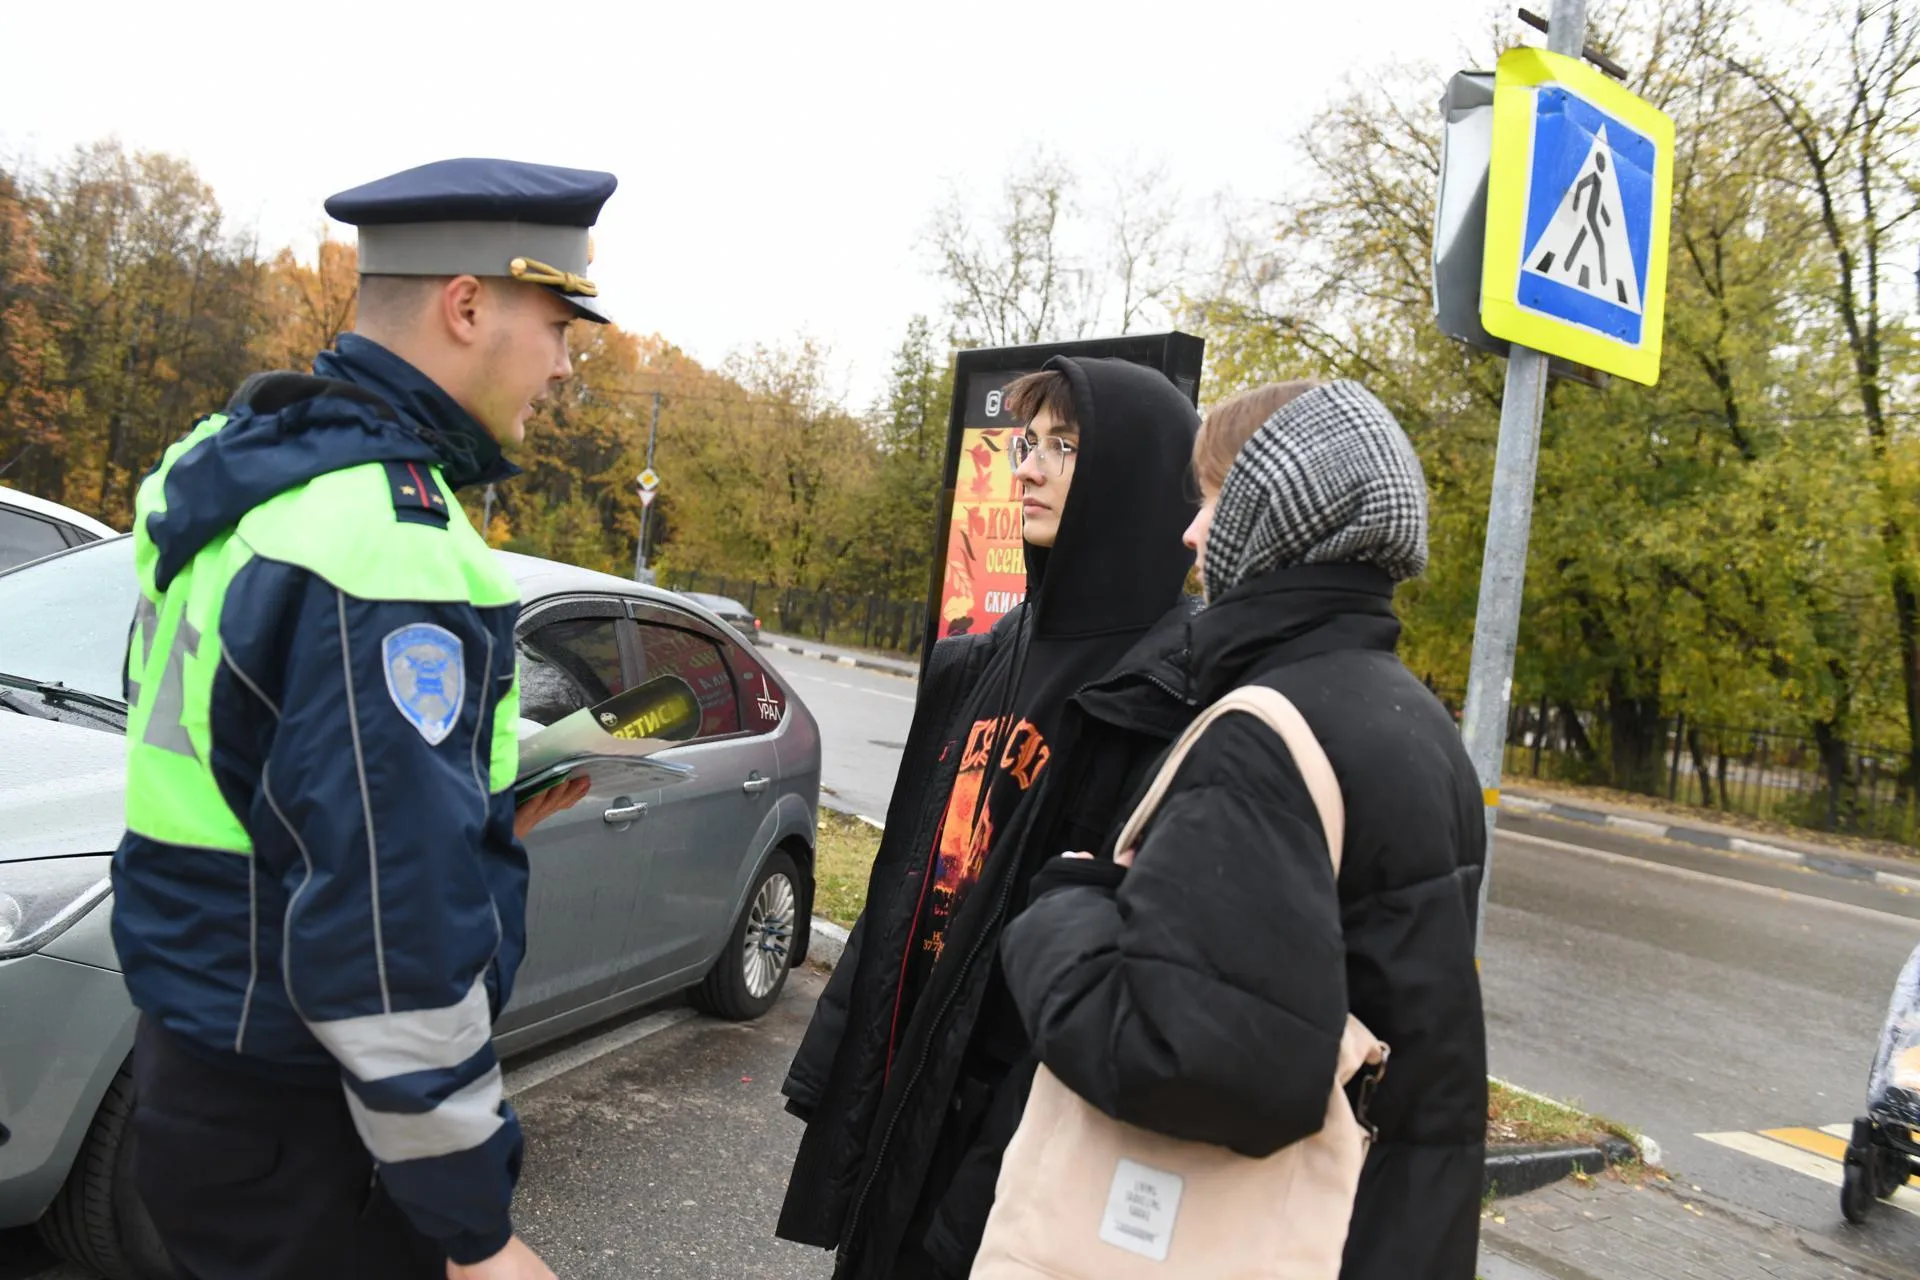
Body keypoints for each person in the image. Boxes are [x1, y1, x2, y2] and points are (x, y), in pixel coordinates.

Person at [111, 157, 614, 1280]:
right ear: (468, 304)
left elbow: (238, 744)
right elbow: (387, 935)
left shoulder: (236, 464)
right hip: (309, 1120)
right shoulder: (388, 542)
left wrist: (470, 815)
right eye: (557, 322)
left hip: (196, 1066)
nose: (567, 364)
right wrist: (473, 1225)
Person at [1000, 379, 1489, 1279]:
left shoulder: (1264, 733)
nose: (1191, 533)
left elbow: (1193, 1057)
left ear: (1275, 515)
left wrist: (1062, 909)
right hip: (1377, 1230)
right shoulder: (1416, 720)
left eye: (1215, 499)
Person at [777, 357, 1203, 1278]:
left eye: (1067, 447)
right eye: (1027, 443)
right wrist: (834, 1068)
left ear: (1134, 474)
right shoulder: (980, 659)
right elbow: (902, 877)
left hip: (1018, 1112)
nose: (1030, 468)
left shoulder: (1168, 683)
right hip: (907, 1065)